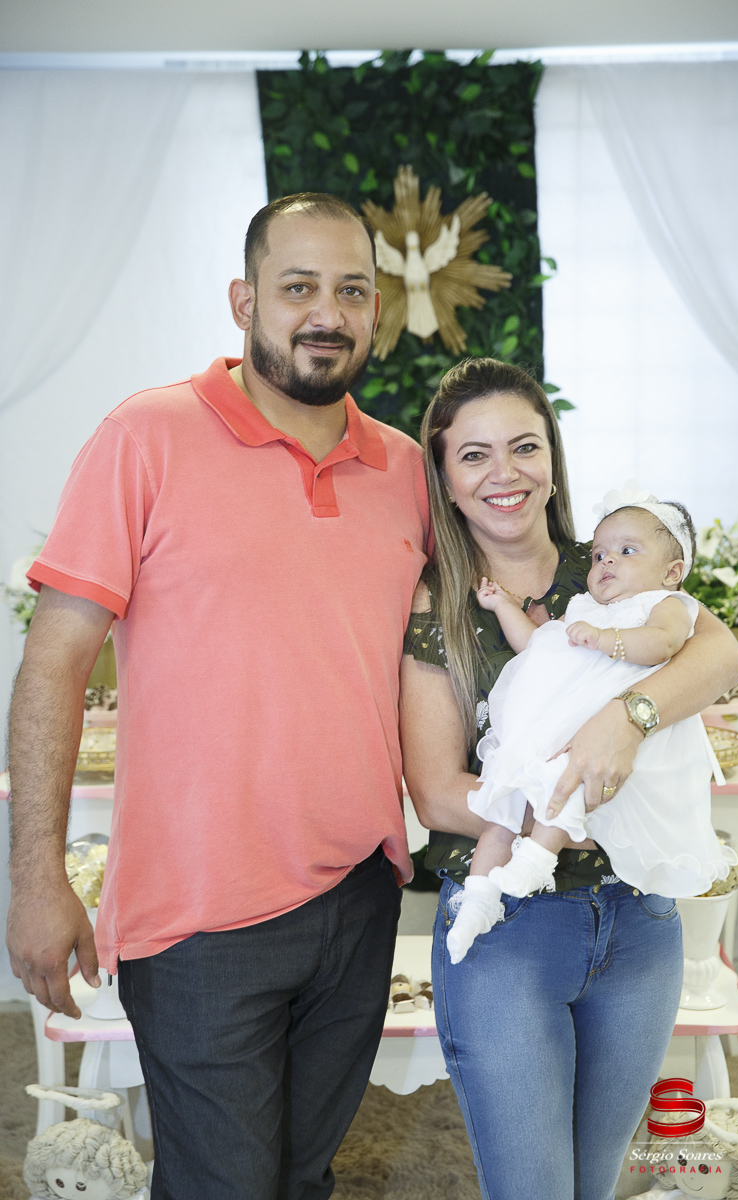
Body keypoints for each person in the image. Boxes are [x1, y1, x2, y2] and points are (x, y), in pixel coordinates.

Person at [6, 193, 430, 1200]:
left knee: (300, 1179)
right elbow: (54, 663)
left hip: (359, 896)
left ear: (376, 312)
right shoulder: (145, 436)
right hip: (198, 917)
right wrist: (35, 876)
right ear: (244, 302)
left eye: (351, 291)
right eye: (298, 287)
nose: (325, 313)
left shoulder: (405, 469)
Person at [399, 358, 738, 1200]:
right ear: (444, 479)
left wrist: (624, 721)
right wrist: (564, 808)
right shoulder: (439, 602)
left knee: (593, 1185)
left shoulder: (614, 568)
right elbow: (437, 790)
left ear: (552, 458)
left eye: (524, 446)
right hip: (511, 935)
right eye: (474, 455)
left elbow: (722, 656)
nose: (506, 472)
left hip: (638, 922)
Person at [447, 490, 737, 963]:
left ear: (671, 572)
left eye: (627, 550)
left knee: (564, 782)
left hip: (601, 733)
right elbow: (540, 647)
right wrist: (502, 607)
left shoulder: (665, 603)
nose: (607, 561)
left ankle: (537, 859)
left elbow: (663, 645)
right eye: (600, 554)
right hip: (549, 725)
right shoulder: (584, 606)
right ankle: (477, 901)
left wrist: (605, 639)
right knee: (502, 807)